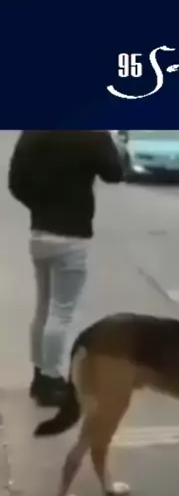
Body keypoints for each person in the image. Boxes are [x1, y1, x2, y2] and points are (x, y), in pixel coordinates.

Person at [8, 130, 124, 407]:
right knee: (61, 312)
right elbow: (115, 173)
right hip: (72, 236)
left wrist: (40, 207)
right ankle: (51, 380)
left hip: (40, 234)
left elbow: (15, 183)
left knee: (43, 308)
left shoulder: (33, 132)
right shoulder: (90, 133)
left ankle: (39, 377)